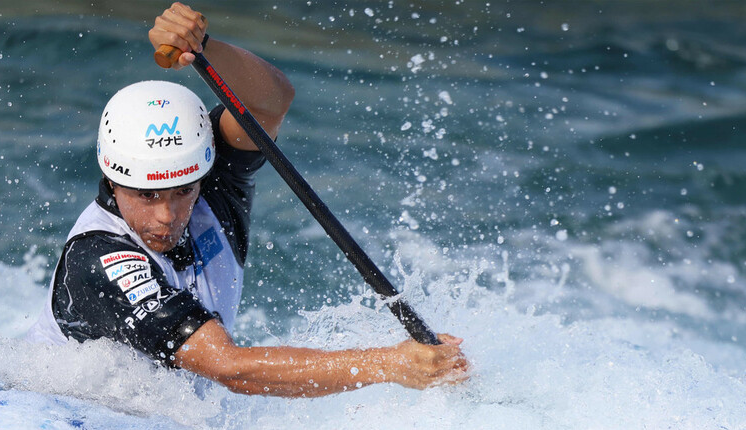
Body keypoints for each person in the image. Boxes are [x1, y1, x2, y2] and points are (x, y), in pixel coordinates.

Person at [27, 2, 468, 397]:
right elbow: (230, 369)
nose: (167, 215)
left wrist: (203, 47)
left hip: (165, 422)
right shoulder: (98, 258)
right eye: (146, 195)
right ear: (112, 178)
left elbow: (269, 103)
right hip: (64, 412)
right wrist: (388, 364)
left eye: (183, 191)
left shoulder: (210, 176)